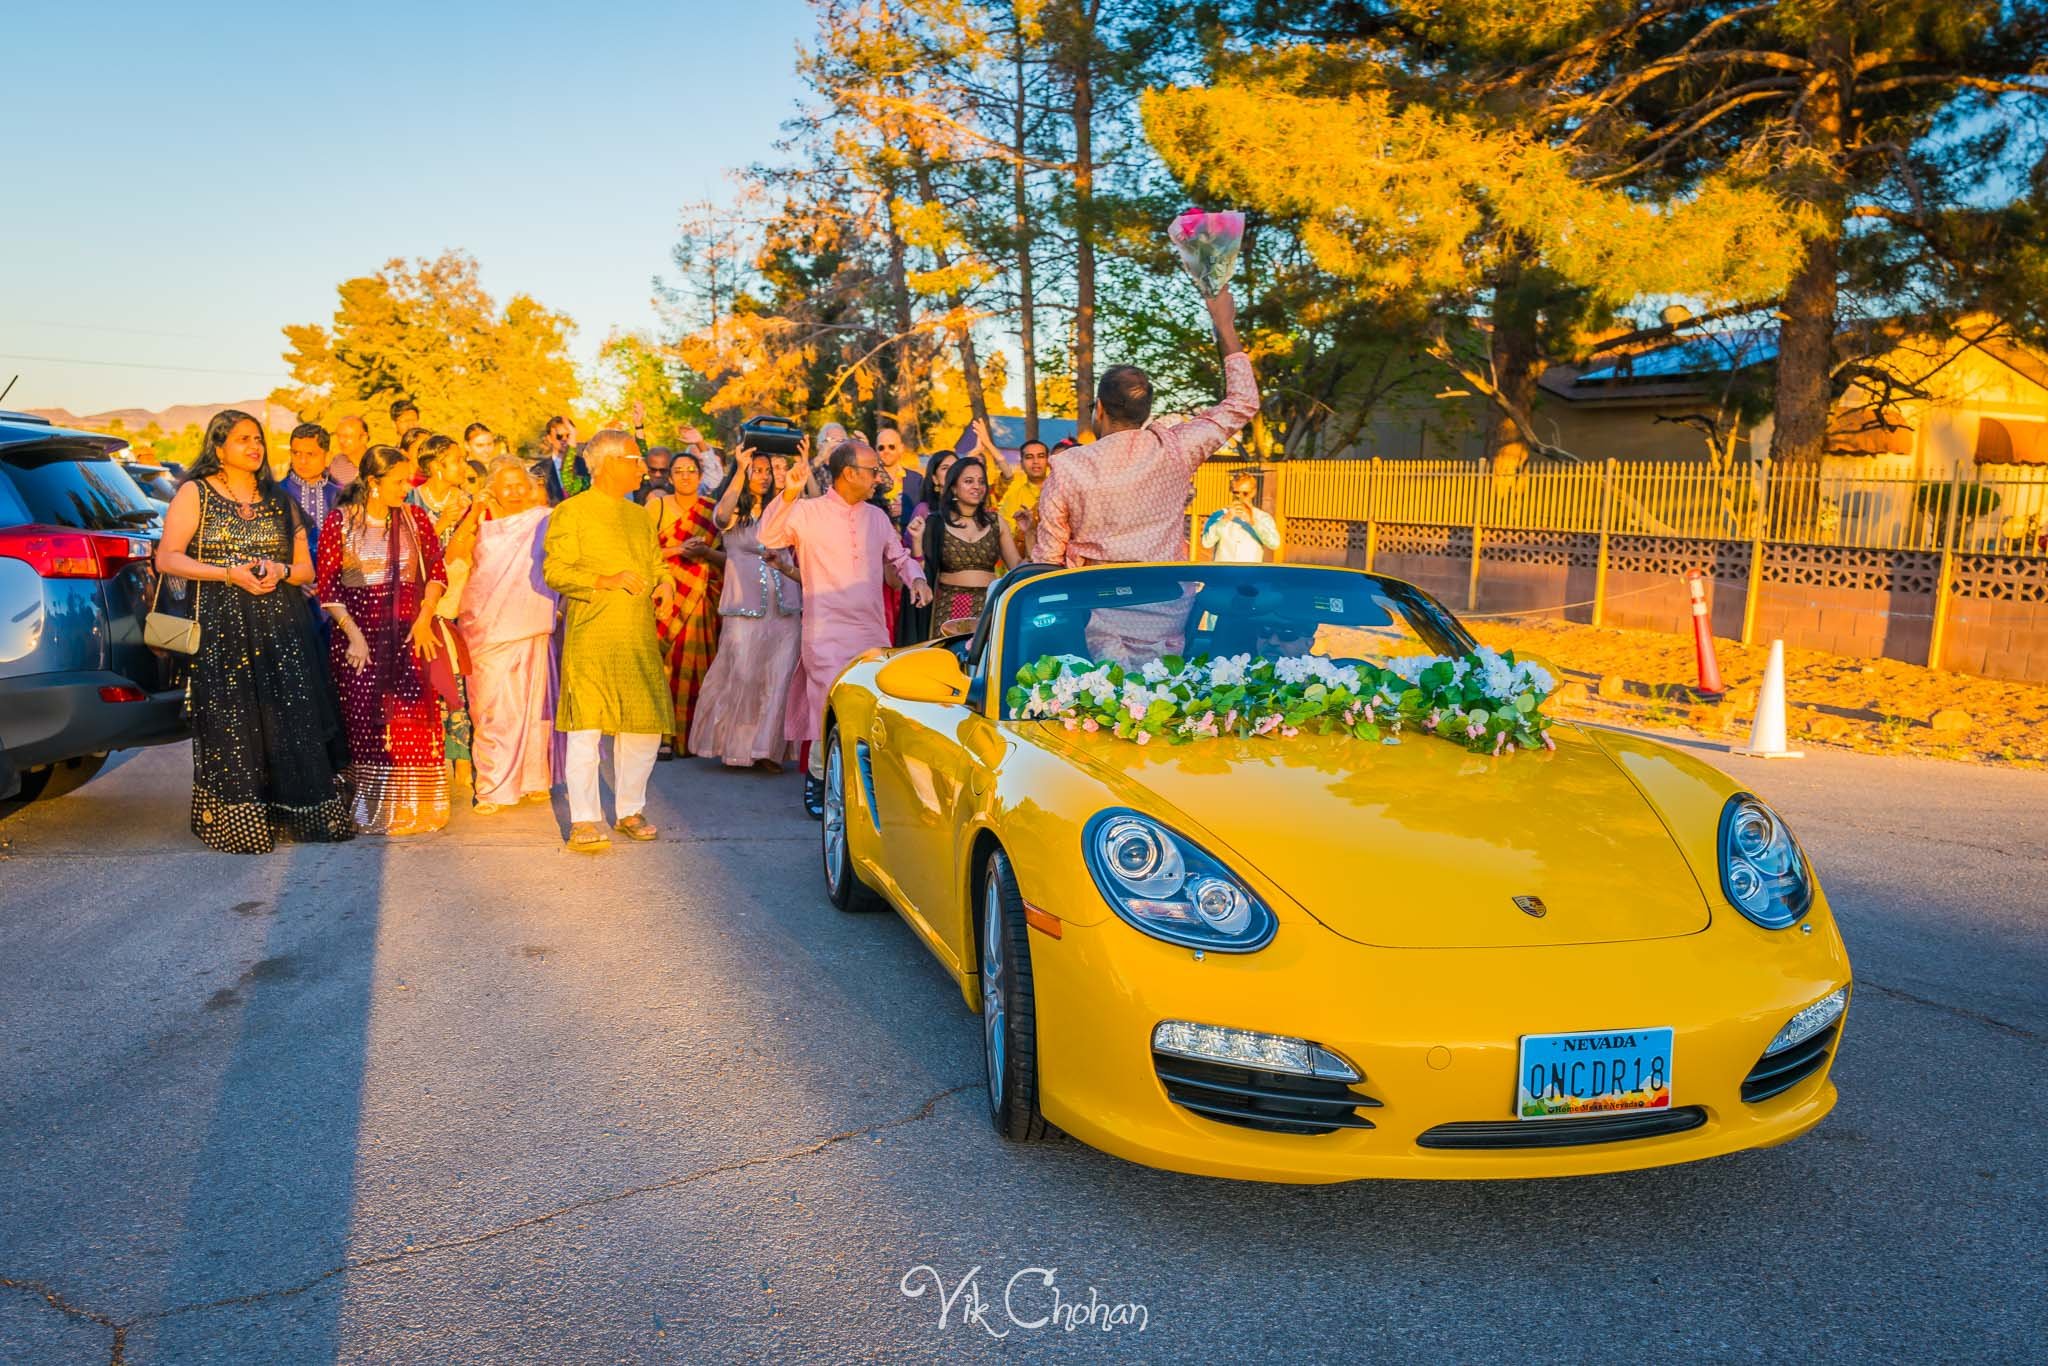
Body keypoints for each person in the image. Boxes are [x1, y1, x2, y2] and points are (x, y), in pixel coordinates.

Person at [155, 411, 354, 853]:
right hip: (221, 622)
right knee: (234, 718)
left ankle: (297, 811)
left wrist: (280, 569)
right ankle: (241, 819)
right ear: (219, 446)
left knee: (288, 715)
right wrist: (229, 573)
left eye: (259, 438)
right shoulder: (196, 493)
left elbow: (306, 569)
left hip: (282, 624)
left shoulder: (279, 499)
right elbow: (167, 558)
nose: (254, 446)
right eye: (243, 439)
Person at [1032, 288, 1258, 659]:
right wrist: (1224, 325)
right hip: (1167, 616)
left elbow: (1047, 560)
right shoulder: (1176, 449)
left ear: (1099, 408)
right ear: (1145, 411)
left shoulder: (1070, 466)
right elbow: (1243, 403)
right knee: (1160, 705)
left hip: (1093, 619)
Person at [759, 439, 931, 818]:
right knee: (829, 708)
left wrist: (916, 578)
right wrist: (788, 493)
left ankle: (861, 785)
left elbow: (898, 557)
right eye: (872, 471)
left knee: (869, 708)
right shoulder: (806, 513)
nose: (878, 478)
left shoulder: (877, 517)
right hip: (824, 630)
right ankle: (821, 778)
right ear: (849, 473)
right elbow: (769, 537)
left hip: (870, 630)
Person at [543, 430, 673, 852]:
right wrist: (603, 580)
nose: (642, 468)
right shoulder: (571, 512)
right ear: (610, 463)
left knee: (643, 726)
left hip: (637, 634)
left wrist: (665, 583)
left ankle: (630, 809)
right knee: (586, 728)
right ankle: (584, 819)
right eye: (635, 460)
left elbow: (655, 563)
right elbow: (555, 571)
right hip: (592, 633)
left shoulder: (639, 515)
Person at [316, 445, 451, 835]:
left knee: (413, 719)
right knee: (367, 720)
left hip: (410, 630)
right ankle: (375, 808)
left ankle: (418, 807)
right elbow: (328, 590)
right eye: (397, 481)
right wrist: (355, 638)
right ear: (372, 482)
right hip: (358, 635)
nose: (406, 488)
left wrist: (425, 618)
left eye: (407, 480)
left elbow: (437, 572)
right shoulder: (340, 521)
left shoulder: (414, 519)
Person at [688, 450, 802, 770]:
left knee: (780, 676)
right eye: (757, 470)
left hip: (786, 605)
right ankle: (736, 747)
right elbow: (721, 517)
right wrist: (739, 469)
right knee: (744, 675)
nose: (764, 476)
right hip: (744, 604)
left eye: (767, 470)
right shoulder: (733, 511)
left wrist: (801, 481)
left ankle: (767, 750)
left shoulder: (782, 508)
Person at [457, 458, 560, 812]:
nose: (515, 492)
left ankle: (534, 778)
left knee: (534, 705)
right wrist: (474, 513)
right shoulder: (481, 520)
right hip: (484, 625)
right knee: (490, 707)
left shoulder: (544, 520)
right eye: (507, 485)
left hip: (530, 620)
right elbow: (455, 555)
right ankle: (491, 786)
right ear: (492, 489)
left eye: (521, 485)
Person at [649, 450, 725, 758]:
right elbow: (644, 552)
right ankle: (665, 735)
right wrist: (679, 548)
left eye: (691, 470)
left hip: (700, 599)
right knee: (664, 666)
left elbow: (727, 556)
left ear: (700, 475)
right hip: (667, 593)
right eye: (678, 471)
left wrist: (704, 554)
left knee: (696, 667)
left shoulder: (712, 510)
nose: (685, 476)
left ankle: (697, 734)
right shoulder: (657, 507)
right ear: (669, 478)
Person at [913, 456, 1021, 631]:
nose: (977, 487)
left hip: (988, 606)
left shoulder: (995, 522)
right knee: (951, 657)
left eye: (981, 481)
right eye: (969, 481)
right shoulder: (937, 522)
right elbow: (922, 573)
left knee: (987, 657)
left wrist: (1030, 533)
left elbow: (1017, 566)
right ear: (954, 488)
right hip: (949, 606)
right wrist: (917, 541)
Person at [281, 422, 344, 562]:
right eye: (296, 453)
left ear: (327, 457)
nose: (302, 461)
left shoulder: (341, 496)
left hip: (333, 578)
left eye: (311, 454)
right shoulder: (276, 493)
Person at [1203, 472, 1282, 563]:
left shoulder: (1263, 517)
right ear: (1231, 491)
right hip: (1223, 573)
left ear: (1253, 492)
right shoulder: (1218, 515)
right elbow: (1206, 543)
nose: (1240, 497)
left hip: (1250, 573)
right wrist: (1225, 519)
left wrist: (1253, 522)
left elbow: (1274, 544)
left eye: (1245, 493)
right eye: (1236, 492)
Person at [997, 433, 1052, 548]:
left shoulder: (1060, 490)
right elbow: (1005, 534)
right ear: (1021, 463)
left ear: (1048, 461)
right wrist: (1024, 529)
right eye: (1029, 457)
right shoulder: (1013, 498)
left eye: (1041, 456)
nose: (1035, 461)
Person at [533, 415, 587, 504]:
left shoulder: (586, 465)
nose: (564, 439)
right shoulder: (538, 471)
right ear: (549, 438)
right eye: (559, 436)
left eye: (568, 435)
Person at [873, 425, 918, 527]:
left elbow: (923, 512)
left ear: (901, 448)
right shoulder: (870, 480)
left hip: (908, 539)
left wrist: (906, 511)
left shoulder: (916, 480)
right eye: (881, 447)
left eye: (891, 447)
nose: (886, 451)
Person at [675, 425, 726, 494]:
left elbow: (712, 480)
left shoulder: (710, 486)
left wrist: (700, 443)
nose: (702, 464)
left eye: (704, 460)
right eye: (695, 460)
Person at [330, 414, 370, 486]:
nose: (341, 441)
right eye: (339, 436)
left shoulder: (380, 463)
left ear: (364, 438)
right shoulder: (335, 465)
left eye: (346, 436)